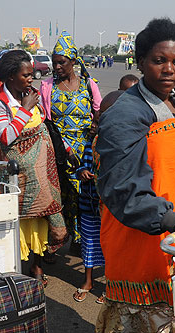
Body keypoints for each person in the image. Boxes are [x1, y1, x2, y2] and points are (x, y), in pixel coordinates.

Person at [94, 18, 175, 333]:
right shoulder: (124, 115)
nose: (169, 70)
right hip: (143, 238)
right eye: (159, 61)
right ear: (140, 63)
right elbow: (120, 187)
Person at [0, 50, 67, 286]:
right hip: (19, 174)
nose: (31, 79)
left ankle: (38, 265)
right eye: (26, 75)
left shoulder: (30, 94)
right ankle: (19, 271)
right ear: (11, 76)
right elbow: (6, 136)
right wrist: (25, 108)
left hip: (43, 171)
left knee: (43, 218)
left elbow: (41, 123)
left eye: (31, 74)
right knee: (21, 220)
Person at [40, 30, 102, 258]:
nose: (56, 67)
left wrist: (95, 129)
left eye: (61, 62)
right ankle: (56, 241)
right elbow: (46, 119)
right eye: (54, 62)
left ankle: (80, 241)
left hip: (84, 153)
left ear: (73, 62)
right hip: (59, 152)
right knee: (59, 196)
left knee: (83, 196)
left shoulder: (88, 84)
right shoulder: (47, 87)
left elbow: (99, 113)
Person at [73, 90, 124, 304]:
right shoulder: (92, 142)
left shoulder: (123, 144)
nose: (99, 117)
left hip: (112, 209)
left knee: (113, 247)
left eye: (105, 113)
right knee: (89, 242)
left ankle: (111, 285)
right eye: (99, 113)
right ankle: (88, 280)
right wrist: (82, 172)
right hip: (89, 204)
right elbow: (81, 166)